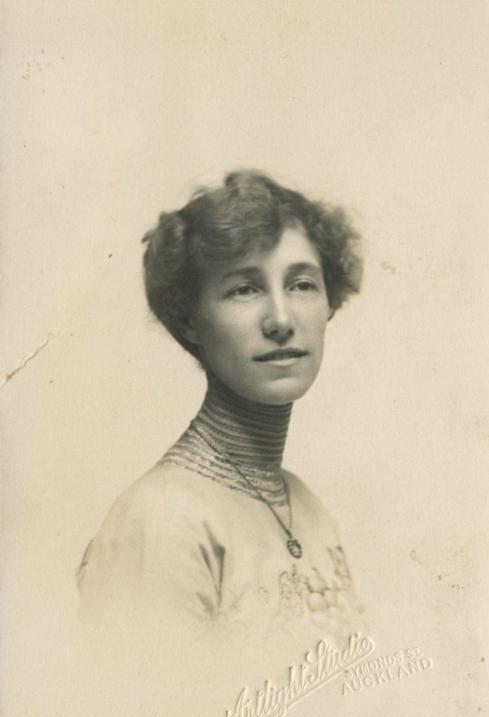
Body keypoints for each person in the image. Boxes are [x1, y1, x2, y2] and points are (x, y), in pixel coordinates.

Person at [76, 170, 366, 672]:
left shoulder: (312, 512)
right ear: (190, 320)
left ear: (329, 302)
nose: (281, 319)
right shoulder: (161, 520)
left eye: (301, 284)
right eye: (244, 290)